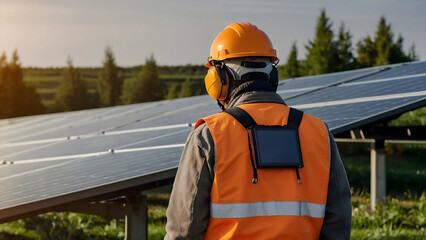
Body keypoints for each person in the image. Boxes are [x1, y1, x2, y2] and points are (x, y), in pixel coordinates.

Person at [165, 22, 351, 240]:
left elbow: (184, 229)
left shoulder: (209, 135)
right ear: (272, 76)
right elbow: (338, 222)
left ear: (218, 79)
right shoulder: (318, 132)